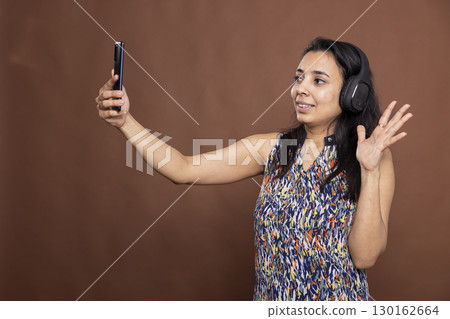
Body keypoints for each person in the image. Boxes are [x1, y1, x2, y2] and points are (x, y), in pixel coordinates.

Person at [95, 37, 412, 301]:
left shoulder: (371, 157)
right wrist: (126, 122)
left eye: (318, 80)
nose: (300, 89)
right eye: (298, 77)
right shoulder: (276, 149)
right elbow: (183, 168)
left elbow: (365, 257)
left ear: (352, 94)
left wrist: (369, 171)